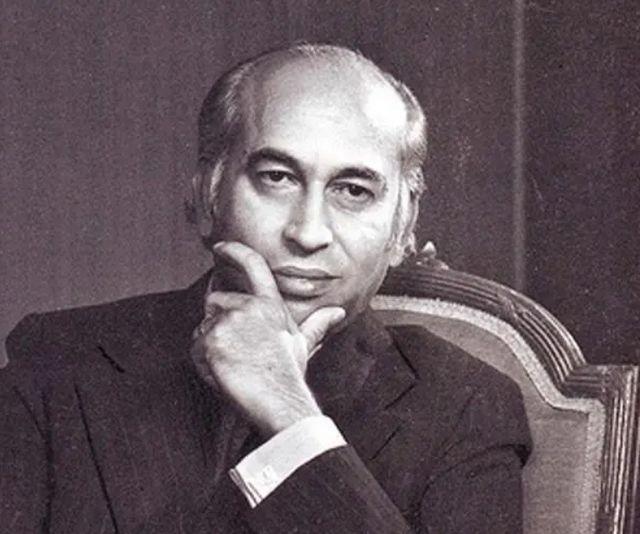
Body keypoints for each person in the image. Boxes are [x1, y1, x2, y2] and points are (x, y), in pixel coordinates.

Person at [0, 43, 531, 533]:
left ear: (402, 225)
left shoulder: (467, 407)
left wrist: (290, 418)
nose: (308, 232)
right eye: (277, 177)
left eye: (353, 190)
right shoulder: (60, 359)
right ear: (208, 194)